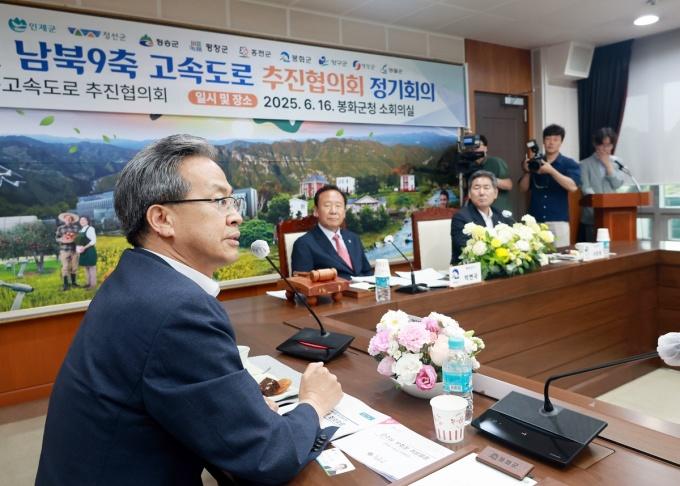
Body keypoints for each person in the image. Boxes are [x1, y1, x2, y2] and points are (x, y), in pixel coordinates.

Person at [37, 135, 343, 486]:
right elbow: (267, 455)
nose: (236, 217)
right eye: (219, 201)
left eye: (233, 201)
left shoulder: (136, 278)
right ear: (162, 219)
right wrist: (313, 402)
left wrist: (242, 407)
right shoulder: (177, 310)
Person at [291, 184, 372, 280]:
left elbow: (367, 272)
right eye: (327, 205)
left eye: (338, 206)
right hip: (335, 290)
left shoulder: (354, 238)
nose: (333, 211)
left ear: (344, 212)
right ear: (316, 211)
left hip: (364, 289)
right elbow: (303, 283)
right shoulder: (304, 244)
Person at [518, 124, 580, 247]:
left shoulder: (568, 163)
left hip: (558, 220)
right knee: (535, 255)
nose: (551, 142)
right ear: (543, 141)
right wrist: (528, 171)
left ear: (561, 142)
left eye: (555, 139)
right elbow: (522, 188)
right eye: (548, 139)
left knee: (561, 256)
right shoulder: (535, 162)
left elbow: (573, 187)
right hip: (535, 220)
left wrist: (552, 171)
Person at [450, 170, 514, 263]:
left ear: (495, 193)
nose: (482, 192)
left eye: (486, 187)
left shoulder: (502, 215)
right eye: (477, 188)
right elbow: (466, 249)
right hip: (470, 268)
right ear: (469, 193)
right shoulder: (461, 217)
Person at [579, 127, 625, 241]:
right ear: (595, 144)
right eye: (603, 145)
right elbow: (586, 188)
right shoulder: (584, 164)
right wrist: (601, 203)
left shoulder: (617, 162)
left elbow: (617, 184)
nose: (606, 149)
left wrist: (608, 165)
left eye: (609, 145)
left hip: (613, 214)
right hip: (593, 216)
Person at [465, 134, 513, 212]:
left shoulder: (495, 162)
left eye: (478, 145)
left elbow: (508, 185)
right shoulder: (469, 165)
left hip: (498, 209)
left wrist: (488, 178)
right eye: (472, 146)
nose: (474, 149)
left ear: (486, 148)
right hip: (477, 211)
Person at [55, 212, 80, 291]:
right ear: (64, 219)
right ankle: (66, 284)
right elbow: (57, 238)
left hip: (74, 250)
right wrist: (62, 239)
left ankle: (74, 283)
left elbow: (79, 237)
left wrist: (75, 238)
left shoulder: (76, 228)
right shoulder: (60, 228)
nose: (68, 219)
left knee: (74, 267)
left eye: (70, 218)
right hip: (64, 250)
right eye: (67, 218)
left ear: (72, 220)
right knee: (65, 267)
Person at [76, 215, 98, 289]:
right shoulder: (81, 230)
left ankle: (93, 285)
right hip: (83, 251)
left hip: (89, 250)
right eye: (81, 220)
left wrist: (84, 247)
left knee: (91, 268)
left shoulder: (90, 229)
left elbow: (93, 241)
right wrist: (79, 249)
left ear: (87, 221)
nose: (82, 221)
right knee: (86, 268)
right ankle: (88, 283)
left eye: (84, 220)